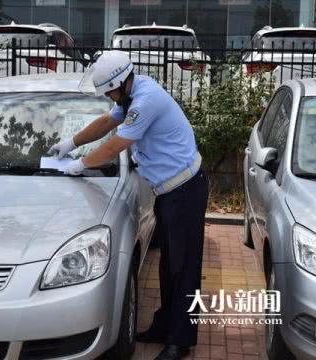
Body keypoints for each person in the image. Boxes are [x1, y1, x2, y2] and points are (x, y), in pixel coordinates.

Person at [48, 50, 209, 360]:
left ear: (121, 82)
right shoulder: (131, 96)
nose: (109, 97)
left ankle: (181, 342)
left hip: (185, 192)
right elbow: (106, 122)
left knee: (185, 268)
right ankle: (165, 326)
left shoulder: (145, 101)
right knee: (169, 266)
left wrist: (81, 164)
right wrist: (72, 143)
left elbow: (116, 144)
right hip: (169, 193)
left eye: (110, 90)